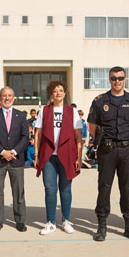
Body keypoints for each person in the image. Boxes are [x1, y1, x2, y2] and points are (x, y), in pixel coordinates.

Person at [87, 66, 129, 241]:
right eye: (113, 78)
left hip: (127, 150)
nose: (117, 81)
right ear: (109, 80)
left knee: (126, 189)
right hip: (107, 150)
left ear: (125, 79)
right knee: (104, 188)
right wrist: (99, 142)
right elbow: (92, 126)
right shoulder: (99, 101)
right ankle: (101, 226)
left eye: (120, 78)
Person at [34, 80, 82, 235]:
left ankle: (66, 221)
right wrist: (36, 155)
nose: (58, 93)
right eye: (55, 91)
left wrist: (79, 157)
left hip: (67, 155)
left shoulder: (72, 111)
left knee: (65, 189)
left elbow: (78, 137)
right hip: (48, 156)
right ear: (51, 94)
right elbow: (38, 134)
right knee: (50, 189)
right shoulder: (44, 110)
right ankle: (51, 222)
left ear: (65, 93)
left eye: (61, 90)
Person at [0, 86, 29, 233]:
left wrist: (14, 151)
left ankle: (20, 221)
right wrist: (3, 152)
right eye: (4, 95)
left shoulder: (21, 115)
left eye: (9, 95)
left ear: (14, 98)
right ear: (0, 98)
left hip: (16, 160)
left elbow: (25, 137)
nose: (7, 98)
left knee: (18, 192)